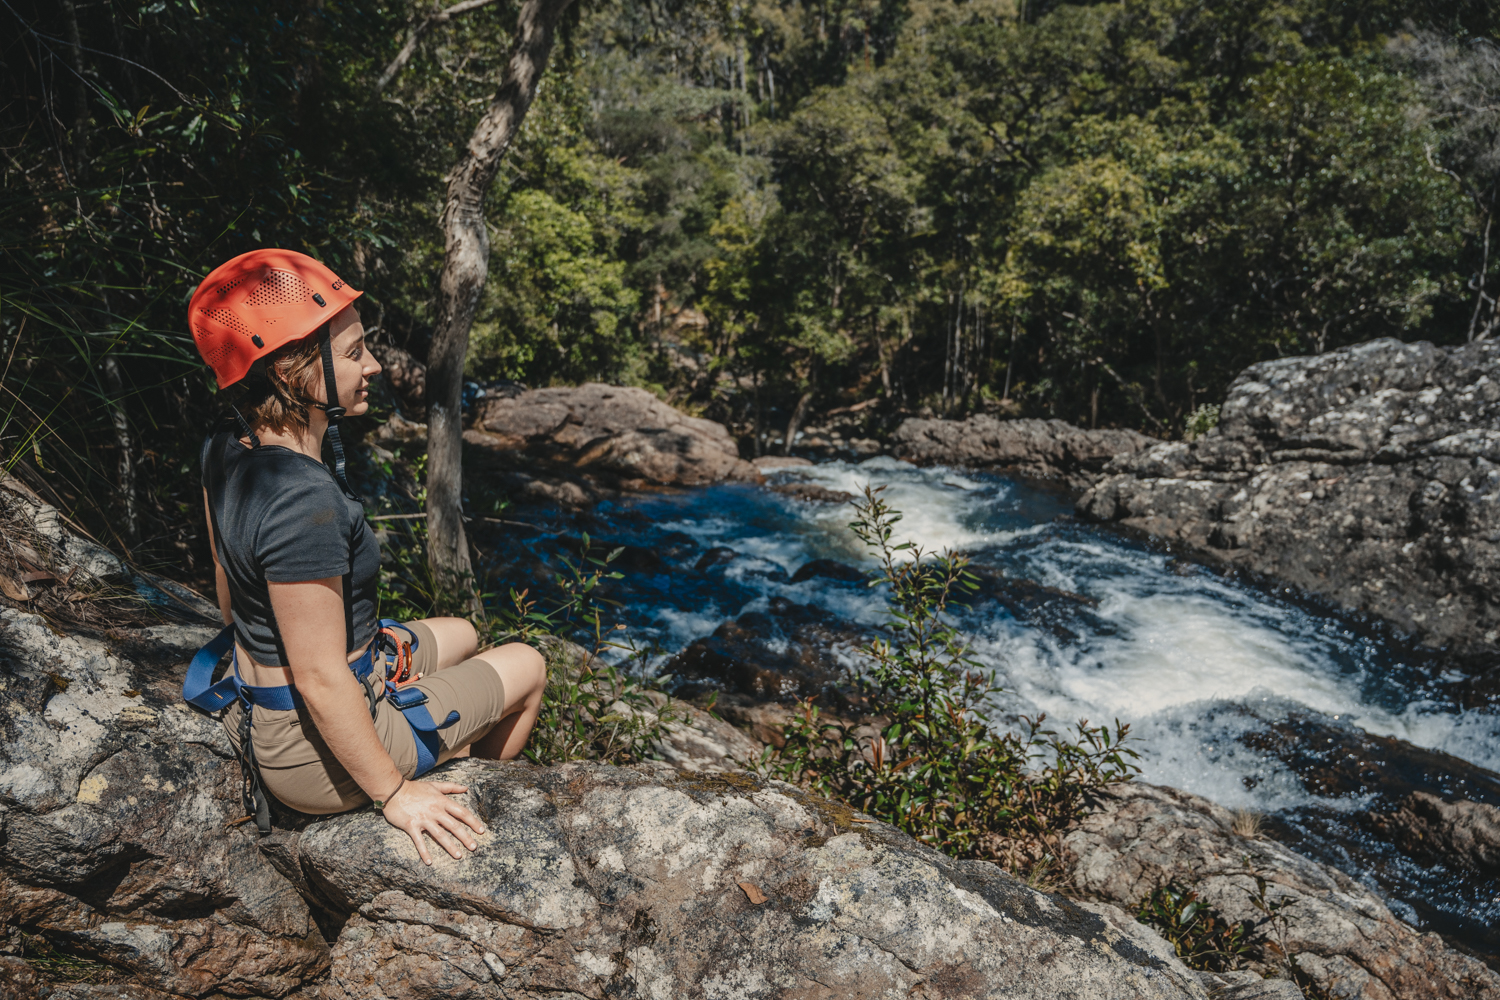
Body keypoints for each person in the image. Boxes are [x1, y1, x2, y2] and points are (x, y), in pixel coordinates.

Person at [183, 248, 545, 865]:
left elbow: (226, 573)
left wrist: (258, 662)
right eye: (353, 355)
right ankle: (461, 791)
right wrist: (397, 793)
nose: (373, 365)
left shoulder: (228, 445)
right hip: (309, 754)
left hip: (277, 695)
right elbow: (321, 679)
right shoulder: (306, 503)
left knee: (464, 632)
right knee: (529, 664)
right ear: (291, 371)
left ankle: (418, 723)